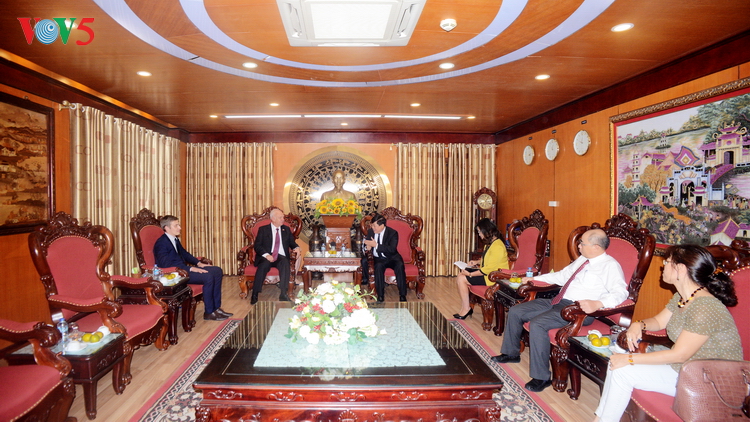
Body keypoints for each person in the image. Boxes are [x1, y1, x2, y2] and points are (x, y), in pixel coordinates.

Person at [593, 245, 742, 422]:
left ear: (681, 269)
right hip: (686, 368)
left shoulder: (705, 307)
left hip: (709, 380)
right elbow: (658, 322)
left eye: (667, 262)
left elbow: (679, 355)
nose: (663, 266)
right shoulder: (683, 297)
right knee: (617, 365)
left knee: (622, 370)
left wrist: (629, 359)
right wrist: (638, 325)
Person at [491, 228, 628, 392]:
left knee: (538, 324)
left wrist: (598, 303)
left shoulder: (610, 266)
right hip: (558, 300)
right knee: (516, 311)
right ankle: (511, 353)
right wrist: (533, 279)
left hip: (577, 311)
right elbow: (562, 276)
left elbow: (621, 293)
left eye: (582, 243)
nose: (579, 246)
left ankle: (541, 378)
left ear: (596, 247)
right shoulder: (583, 259)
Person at [153, 215, 231, 321]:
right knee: (208, 276)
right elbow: (166, 265)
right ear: (166, 228)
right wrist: (190, 269)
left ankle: (216, 308)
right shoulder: (161, 243)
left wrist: (198, 263)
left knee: (217, 271)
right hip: (175, 274)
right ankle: (209, 312)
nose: (179, 228)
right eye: (176, 225)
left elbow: (185, 254)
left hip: (183, 269)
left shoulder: (174, 239)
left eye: (178, 225)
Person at [453, 218, 509, 319]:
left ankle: (466, 309)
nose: (479, 234)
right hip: (488, 274)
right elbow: (487, 259)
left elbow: (488, 269)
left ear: (487, 231)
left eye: (479, 232)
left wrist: (470, 274)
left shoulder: (498, 246)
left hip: (493, 277)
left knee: (462, 278)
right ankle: (466, 307)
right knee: (461, 274)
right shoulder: (490, 243)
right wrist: (477, 262)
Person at [251, 208, 301, 305]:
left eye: (283, 217)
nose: (283, 219)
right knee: (263, 266)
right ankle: (255, 293)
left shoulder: (286, 229)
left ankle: (283, 293)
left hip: (280, 256)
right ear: (273, 219)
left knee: (285, 263)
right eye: (280, 217)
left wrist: (297, 248)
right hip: (266, 256)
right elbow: (257, 246)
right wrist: (266, 255)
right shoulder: (263, 229)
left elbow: (292, 243)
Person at [362, 213, 408, 302]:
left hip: (392, 258)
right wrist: (367, 248)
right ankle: (380, 295)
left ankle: (402, 295)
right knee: (378, 267)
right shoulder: (371, 232)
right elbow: (366, 245)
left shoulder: (392, 233)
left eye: (374, 226)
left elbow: (391, 249)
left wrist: (376, 245)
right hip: (378, 258)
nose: (373, 228)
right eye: (372, 225)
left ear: (382, 225)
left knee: (400, 266)